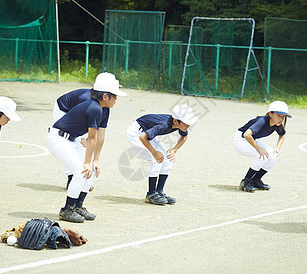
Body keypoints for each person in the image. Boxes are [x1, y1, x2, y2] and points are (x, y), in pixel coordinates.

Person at [47, 73, 127, 222]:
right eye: (114, 96)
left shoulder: (103, 108)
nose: (116, 99)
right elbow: (91, 137)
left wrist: (95, 160)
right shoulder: (92, 106)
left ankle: (78, 206)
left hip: (70, 137)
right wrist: (86, 162)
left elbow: (99, 136)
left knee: (91, 169)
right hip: (58, 138)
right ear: (104, 96)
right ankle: (67, 210)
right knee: (80, 171)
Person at [127, 104, 199, 205]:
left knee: (168, 157)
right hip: (136, 133)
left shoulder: (179, 125)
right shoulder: (164, 125)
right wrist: (154, 152)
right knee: (157, 158)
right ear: (175, 121)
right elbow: (143, 137)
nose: (188, 125)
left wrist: (174, 150)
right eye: (186, 123)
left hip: (147, 133)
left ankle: (159, 191)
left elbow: (184, 136)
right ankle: (151, 194)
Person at [53, 73, 113, 190]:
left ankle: (80, 177)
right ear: (106, 94)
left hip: (78, 115)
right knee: (69, 143)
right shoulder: (86, 100)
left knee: (83, 145)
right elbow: (79, 119)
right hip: (63, 110)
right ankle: (72, 177)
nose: (116, 98)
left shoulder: (105, 106)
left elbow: (100, 133)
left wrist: (96, 159)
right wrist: (86, 138)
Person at [233, 101, 291, 192]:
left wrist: (277, 149)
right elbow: (247, 135)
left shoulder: (277, 124)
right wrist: (258, 148)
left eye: (283, 116)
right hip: (240, 140)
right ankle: (245, 181)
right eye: (279, 115)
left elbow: (282, 135)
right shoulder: (262, 121)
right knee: (262, 156)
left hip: (251, 139)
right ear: (270, 113)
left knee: (274, 157)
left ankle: (255, 179)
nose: (281, 119)